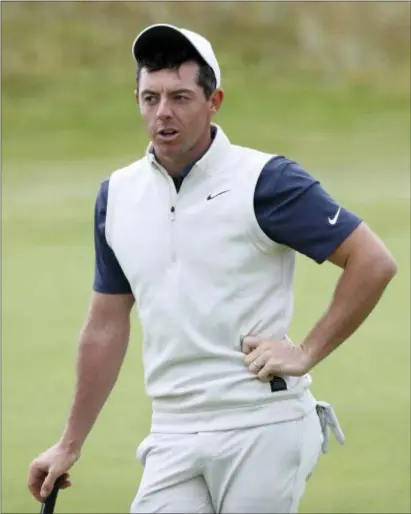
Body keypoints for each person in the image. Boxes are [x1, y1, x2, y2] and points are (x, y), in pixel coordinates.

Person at [27, 24, 397, 513]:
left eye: (180, 97)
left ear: (214, 101)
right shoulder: (116, 196)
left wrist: (306, 350)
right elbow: (105, 324)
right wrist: (69, 442)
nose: (163, 112)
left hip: (263, 424)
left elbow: (372, 261)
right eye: (150, 97)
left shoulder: (266, 181)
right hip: (173, 430)